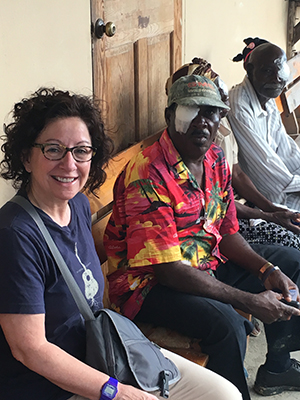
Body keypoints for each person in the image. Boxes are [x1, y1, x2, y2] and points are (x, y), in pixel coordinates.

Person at [0, 88, 242, 400]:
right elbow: (29, 349)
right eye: (53, 149)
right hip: (50, 386)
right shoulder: (15, 235)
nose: (69, 164)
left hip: (102, 352)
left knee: (223, 394)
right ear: (26, 157)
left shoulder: (77, 207)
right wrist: (116, 391)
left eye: (81, 150)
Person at [104, 74, 300, 399]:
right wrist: (247, 300)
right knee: (228, 326)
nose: (203, 121)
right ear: (170, 116)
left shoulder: (214, 159)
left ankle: (277, 366)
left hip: (203, 263)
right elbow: (168, 270)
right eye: (191, 110)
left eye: (211, 112)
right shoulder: (148, 172)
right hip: (149, 287)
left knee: (291, 263)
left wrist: (267, 271)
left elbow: (228, 232)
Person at [166, 57, 300, 251]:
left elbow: (233, 179)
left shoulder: (217, 140)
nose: (223, 91)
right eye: (195, 109)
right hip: (217, 231)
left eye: (219, 85)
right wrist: (270, 213)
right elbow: (214, 207)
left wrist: (271, 211)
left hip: (234, 217)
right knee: (291, 243)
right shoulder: (192, 144)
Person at [228, 42, 300, 211]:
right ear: (249, 69)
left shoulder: (265, 96)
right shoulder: (239, 107)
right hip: (271, 199)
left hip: (286, 186)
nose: (276, 79)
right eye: (267, 71)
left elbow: (286, 148)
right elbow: (266, 169)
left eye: (280, 71)